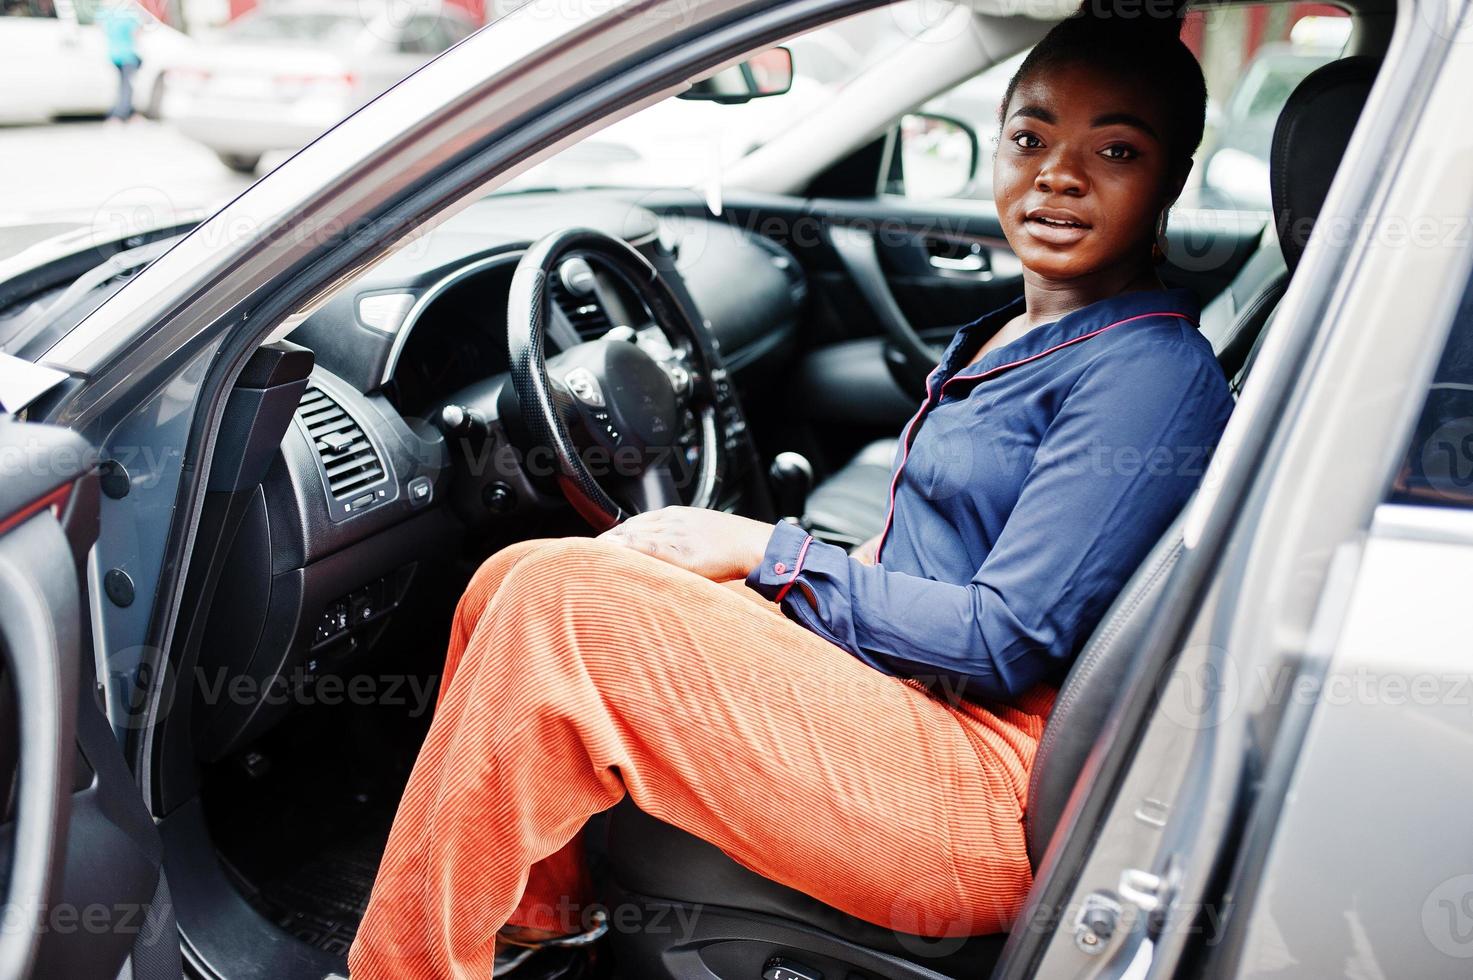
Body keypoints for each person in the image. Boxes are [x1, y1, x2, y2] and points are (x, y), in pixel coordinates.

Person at [348, 3, 1235, 977]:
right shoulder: (1019, 330)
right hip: (907, 694)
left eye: (1115, 150)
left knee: (563, 608)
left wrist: (765, 552)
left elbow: (1001, 639)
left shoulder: (1148, 373)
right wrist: (777, 573)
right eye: (1031, 136)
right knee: (511, 577)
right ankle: (550, 914)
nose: (1058, 174)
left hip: (984, 791)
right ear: (995, 147)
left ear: (1170, 178)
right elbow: (937, 553)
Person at [98, 0, 144, 125]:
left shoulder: (106, 13)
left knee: (122, 85)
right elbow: (137, 32)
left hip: (113, 54)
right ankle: (117, 116)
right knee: (127, 87)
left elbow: (100, 28)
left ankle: (133, 114)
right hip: (128, 55)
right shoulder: (129, 14)